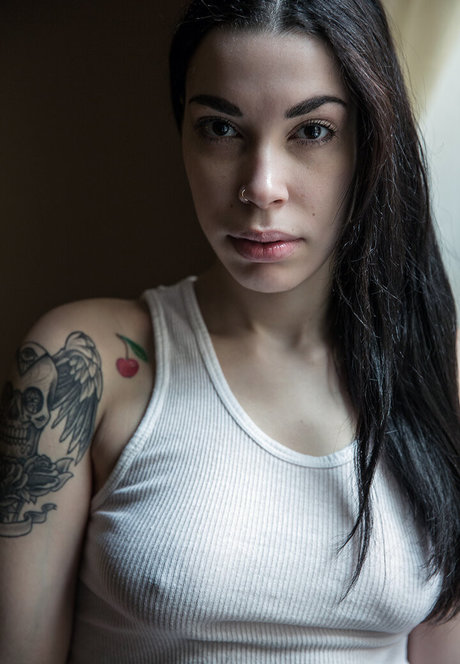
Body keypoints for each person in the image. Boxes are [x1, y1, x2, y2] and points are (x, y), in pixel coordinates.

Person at [1, 0, 459, 661]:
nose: (261, 186)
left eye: (313, 131)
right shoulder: (81, 365)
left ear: (372, 142)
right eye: (220, 128)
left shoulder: (442, 370)